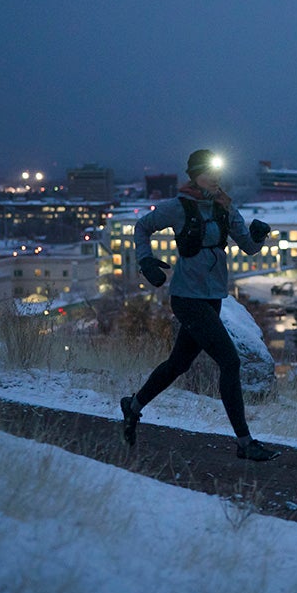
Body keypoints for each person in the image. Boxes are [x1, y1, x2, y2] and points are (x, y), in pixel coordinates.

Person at [120, 149, 279, 461]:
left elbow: (248, 247)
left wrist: (259, 236)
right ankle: (245, 442)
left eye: (218, 172)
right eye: (208, 172)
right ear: (194, 175)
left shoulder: (225, 207)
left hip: (213, 296)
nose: (215, 178)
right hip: (187, 297)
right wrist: (145, 260)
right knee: (230, 361)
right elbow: (142, 227)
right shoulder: (178, 207)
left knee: (178, 364)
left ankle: (133, 406)